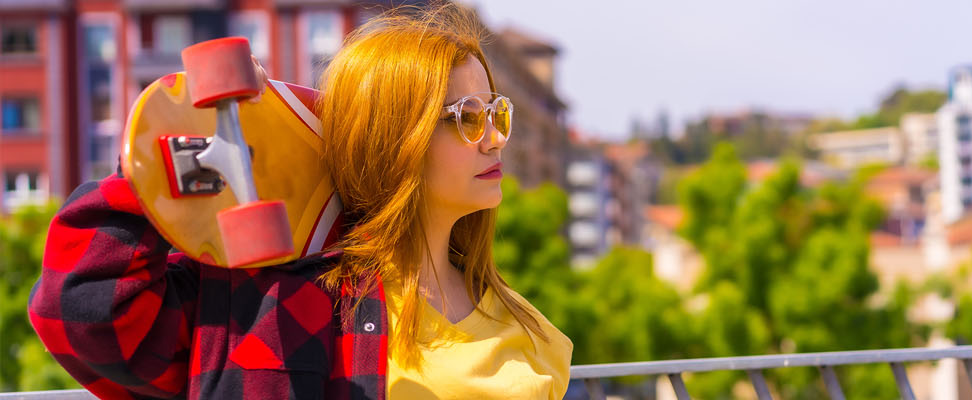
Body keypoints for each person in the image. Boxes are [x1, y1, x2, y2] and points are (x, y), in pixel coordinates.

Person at [29, 4, 572, 399]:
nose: (496, 138)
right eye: (469, 118)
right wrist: (171, 156)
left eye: (497, 114)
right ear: (391, 137)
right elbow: (82, 310)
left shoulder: (534, 334)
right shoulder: (273, 295)